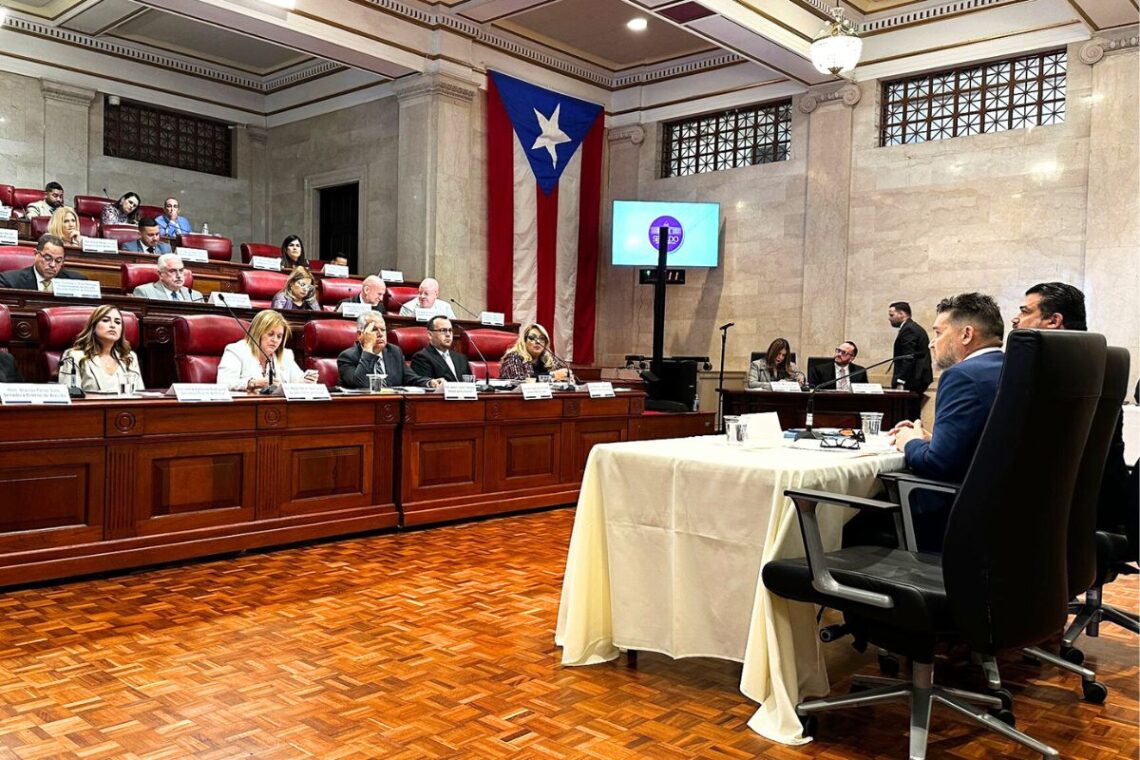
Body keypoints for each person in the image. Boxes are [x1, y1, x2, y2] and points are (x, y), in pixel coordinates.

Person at [890, 292, 1004, 550]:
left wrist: (909, 442)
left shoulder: (962, 375)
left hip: (954, 522)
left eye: (938, 333)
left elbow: (938, 464)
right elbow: (990, 442)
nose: (932, 344)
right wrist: (931, 440)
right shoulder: (1010, 368)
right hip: (1001, 517)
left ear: (966, 334)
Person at [1011, 282, 1128, 531]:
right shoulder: (1101, 364)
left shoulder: (1045, 377)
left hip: (1041, 518)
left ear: (1054, 320)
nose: (1015, 319)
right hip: (1100, 509)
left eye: (1025, 311)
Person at [217, 309, 316, 392]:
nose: (275, 340)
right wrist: (253, 383)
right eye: (270, 334)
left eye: (279, 336)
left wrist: (306, 381)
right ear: (257, 332)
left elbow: (297, 381)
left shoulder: (286, 355)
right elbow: (224, 383)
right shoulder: (237, 350)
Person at [57, 305, 143, 393]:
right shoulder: (74, 357)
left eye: (117, 322)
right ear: (93, 327)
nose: (113, 325)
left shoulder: (129, 357)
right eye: (105, 320)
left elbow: (140, 394)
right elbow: (71, 395)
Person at [337, 312, 431, 389]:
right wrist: (368, 348)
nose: (380, 334)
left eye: (383, 330)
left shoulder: (394, 351)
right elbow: (360, 383)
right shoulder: (347, 357)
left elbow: (411, 378)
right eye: (374, 330)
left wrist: (430, 383)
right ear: (359, 335)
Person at [888, 301, 934, 419]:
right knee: (911, 414)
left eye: (892, 315)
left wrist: (901, 381)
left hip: (912, 381)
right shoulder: (912, 327)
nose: (889, 318)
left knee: (907, 415)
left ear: (902, 314)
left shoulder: (909, 329)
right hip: (915, 379)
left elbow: (908, 357)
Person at [0, 234, 88, 291]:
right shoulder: (9, 281)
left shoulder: (78, 282)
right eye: (47, 258)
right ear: (36, 254)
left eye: (58, 260)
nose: (53, 265)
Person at [498, 323, 572, 382]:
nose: (537, 341)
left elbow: (561, 374)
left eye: (542, 338)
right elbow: (520, 381)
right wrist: (552, 376)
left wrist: (566, 376)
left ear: (546, 343)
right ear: (524, 341)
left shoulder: (549, 359)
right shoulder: (513, 357)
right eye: (532, 338)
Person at [409, 316, 470, 385]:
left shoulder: (461, 358)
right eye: (443, 330)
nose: (448, 334)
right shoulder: (421, 358)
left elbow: (469, 382)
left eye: (450, 330)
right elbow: (425, 387)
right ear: (430, 335)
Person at [132, 253, 202, 302]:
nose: (179, 275)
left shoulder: (196, 296)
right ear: (160, 274)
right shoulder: (144, 292)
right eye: (172, 271)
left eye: (181, 270)